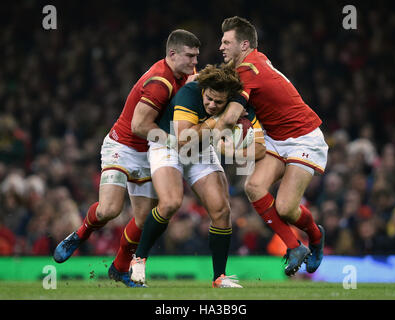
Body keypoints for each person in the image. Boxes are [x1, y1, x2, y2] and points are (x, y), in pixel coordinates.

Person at [53, 29, 201, 287]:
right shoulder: (160, 82)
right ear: (172, 54)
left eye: (197, 57)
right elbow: (138, 126)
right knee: (110, 209)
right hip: (123, 147)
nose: (194, 62)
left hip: (149, 153)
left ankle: (120, 268)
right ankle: (80, 234)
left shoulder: (187, 75)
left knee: (145, 220)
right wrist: (176, 141)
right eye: (190, 56)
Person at [129, 63, 266, 287]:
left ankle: (219, 277)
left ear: (230, 99)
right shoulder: (190, 93)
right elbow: (184, 139)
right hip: (169, 145)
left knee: (222, 210)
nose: (211, 104)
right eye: (209, 98)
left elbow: (259, 148)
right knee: (171, 202)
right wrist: (217, 121)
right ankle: (139, 259)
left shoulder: (240, 106)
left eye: (218, 102)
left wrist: (232, 150)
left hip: (201, 150)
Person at [215, 16, 327, 276]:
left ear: (244, 45)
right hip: (277, 136)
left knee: (286, 208)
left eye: (226, 42)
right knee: (253, 187)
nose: (221, 47)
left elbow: (231, 117)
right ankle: (294, 247)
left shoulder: (249, 70)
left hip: (303, 137)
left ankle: (316, 236)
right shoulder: (254, 61)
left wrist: (203, 137)